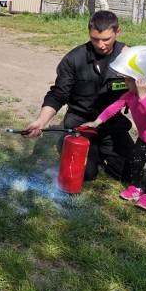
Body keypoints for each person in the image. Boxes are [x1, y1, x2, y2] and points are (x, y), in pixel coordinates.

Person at [24, 10, 134, 181]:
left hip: (111, 123)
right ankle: (77, 146)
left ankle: (100, 150)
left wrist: (137, 57)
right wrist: (41, 121)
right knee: (86, 173)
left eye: (106, 39)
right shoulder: (74, 59)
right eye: (95, 39)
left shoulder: (129, 58)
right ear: (89, 33)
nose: (101, 45)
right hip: (79, 122)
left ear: (117, 32)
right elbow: (58, 94)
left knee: (131, 172)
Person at [82, 46, 146, 211]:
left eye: (130, 80)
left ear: (143, 82)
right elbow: (113, 107)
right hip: (144, 139)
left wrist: (143, 95)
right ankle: (135, 188)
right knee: (136, 164)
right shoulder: (129, 96)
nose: (126, 83)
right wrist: (97, 121)